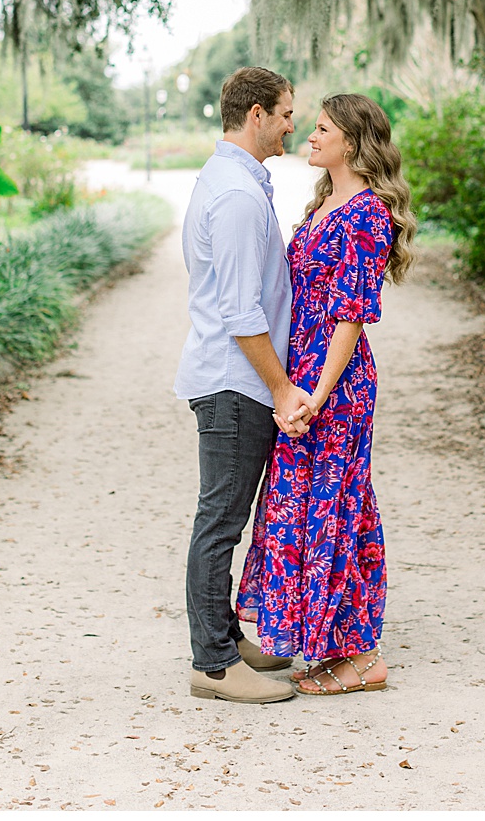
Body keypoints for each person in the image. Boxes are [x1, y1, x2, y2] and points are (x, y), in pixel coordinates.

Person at [237, 92, 416, 695]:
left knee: (335, 510)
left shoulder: (365, 212)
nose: (309, 137)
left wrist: (316, 392)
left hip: (334, 385)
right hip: (302, 380)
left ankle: (361, 658)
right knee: (301, 507)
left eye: (321, 130)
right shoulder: (324, 203)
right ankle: (335, 646)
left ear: (352, 141)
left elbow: (352, 317)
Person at [176, 66, 312, 704]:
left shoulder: (239, 182)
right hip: (236, 386)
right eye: (286, 112)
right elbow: (239, 312)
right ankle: (211, 664)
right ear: (255, 114)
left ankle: (226, 638)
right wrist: (283, 389)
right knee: (221, 522)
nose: (294, 123)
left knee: (225, 516)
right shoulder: (235, 195)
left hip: (238, 383)